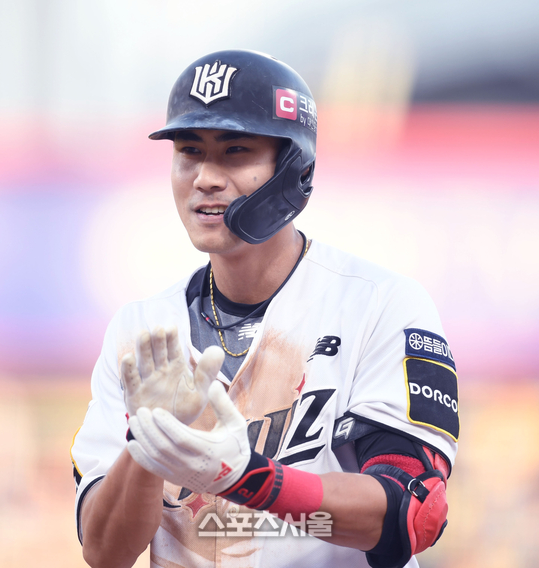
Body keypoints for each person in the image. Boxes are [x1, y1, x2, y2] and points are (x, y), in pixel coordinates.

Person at [71, 49, 459, 568]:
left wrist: (248, 477)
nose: (205, 177)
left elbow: (414, 512)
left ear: (294, 168)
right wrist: (148, 447)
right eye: (189, 151)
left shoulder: (379, 304)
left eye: (235, 151)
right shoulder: (141, 332)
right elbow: (104, 552)